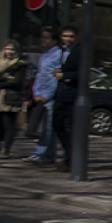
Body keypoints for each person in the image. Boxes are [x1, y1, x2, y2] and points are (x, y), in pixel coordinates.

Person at [0, 39, 30, 158]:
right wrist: (4, 78)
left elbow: (16, 82)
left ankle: (6, 150)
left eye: (12, 49)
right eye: (7, 49)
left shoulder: (19, 65)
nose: (9, 52)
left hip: (10, 98)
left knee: (8, 125)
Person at [26, 27, 62, 164]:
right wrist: (36, 92)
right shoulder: (44, 54)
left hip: (49, 95)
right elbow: (40, 75)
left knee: (47, 126)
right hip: (41, 93)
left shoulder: (57, 54)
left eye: (46, 37)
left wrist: (47, 94)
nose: (43, 40)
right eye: (42, 37)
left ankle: (39, 153)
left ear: (53, 40)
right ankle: (48, 155)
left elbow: (54, 77)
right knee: (46, 126)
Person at [51, 26, 80, 172]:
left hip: (72, 94)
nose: (68, 39)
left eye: (71, 36)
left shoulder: (80, 50)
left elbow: (82, 72)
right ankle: (68, 155)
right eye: (65, 36)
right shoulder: (61, 51)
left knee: (70, 127)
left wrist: (65, 76)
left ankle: (71, 160)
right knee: (57, 125)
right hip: (61, 94)